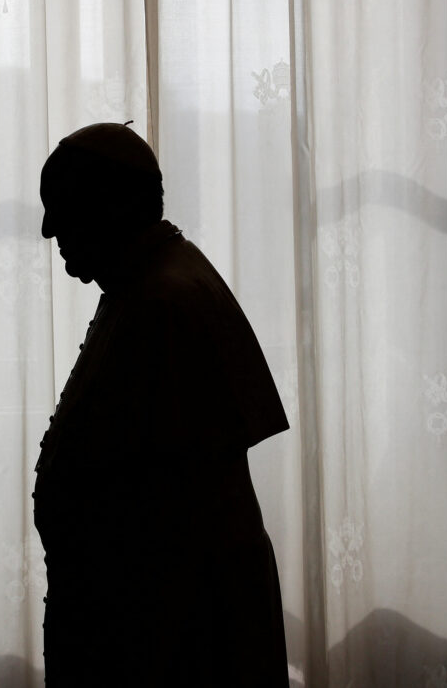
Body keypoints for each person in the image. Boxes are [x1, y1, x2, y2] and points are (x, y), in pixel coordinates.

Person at [32, 122, 290, 686]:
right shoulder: (144, 284)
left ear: (111, 204)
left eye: (61, 205)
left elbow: (165, 521)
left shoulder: (165, 303)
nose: (49, 228)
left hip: (172, 639)